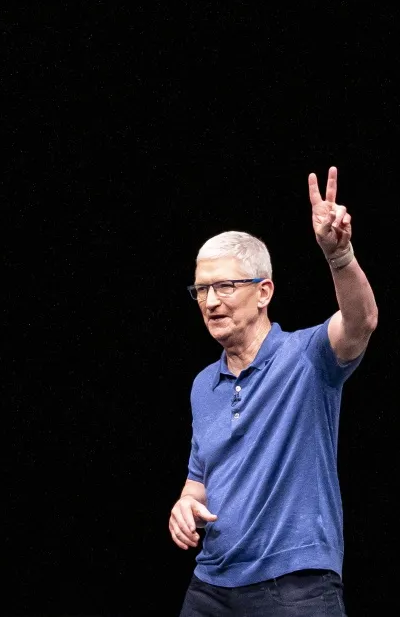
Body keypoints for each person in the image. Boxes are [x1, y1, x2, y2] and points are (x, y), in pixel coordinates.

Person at [166, 167, 379, 616]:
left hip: (295, 586)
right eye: (202, 289)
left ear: (264, 292)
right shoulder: (204, 385)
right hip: (211, 585)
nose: (210, 301)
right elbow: (199, 479)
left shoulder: (305, 357)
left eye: (224, 286)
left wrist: (340, 258)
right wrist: (185, 505)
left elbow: (360, 322)